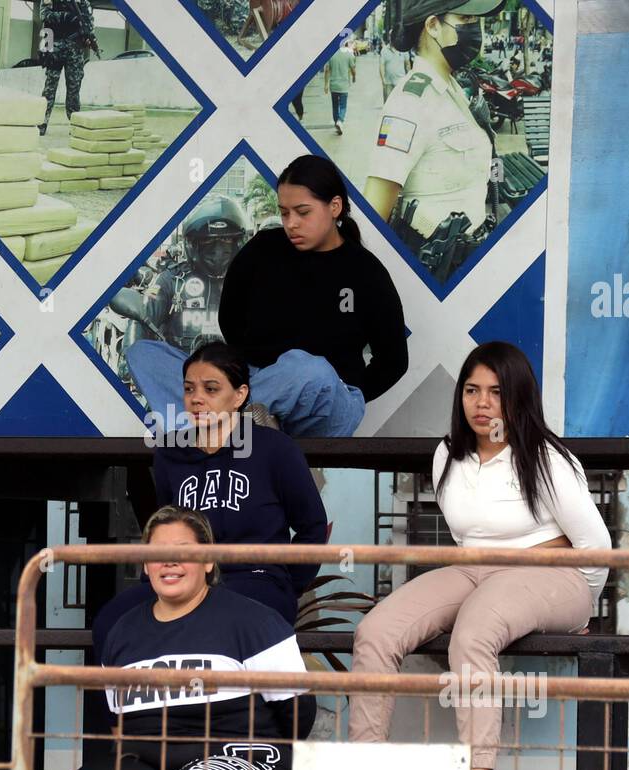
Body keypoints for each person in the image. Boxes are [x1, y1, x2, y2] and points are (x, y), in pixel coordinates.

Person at [348, 341, 611, 770]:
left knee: (474, 631)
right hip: (476, 571)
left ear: (518, 397)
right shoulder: (448, 455)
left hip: (564, 581)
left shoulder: (546, 458)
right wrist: (503, 560)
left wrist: (571, 600)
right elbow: (469, 543)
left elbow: (595, 546)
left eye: (495, 391)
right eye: (472, 390)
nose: (482, 402)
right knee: (377, 631)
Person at [54, 506, 316, 770]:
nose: (170, 562)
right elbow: (119, 723)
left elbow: (298, 713)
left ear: (208, 561)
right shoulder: (122, 635)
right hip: (152, 767)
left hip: (250, 766)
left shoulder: (253, 622)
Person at [127, 155, 407, 438]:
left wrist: (351, 393)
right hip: (255, 386)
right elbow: (231, 321)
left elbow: (394, 360)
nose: (291, 223)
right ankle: (243, 422)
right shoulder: (262, 251)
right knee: (144, 354)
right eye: (285, 213)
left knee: (309, 367)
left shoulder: (365, 271)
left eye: (303, 212)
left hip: (325, 399)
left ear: (335, 207)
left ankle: (215, 428)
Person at [94, 342, 327, 650]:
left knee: (215, 625)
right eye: (189, 390)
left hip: (256, 580)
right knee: (110, 621)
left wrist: (287, 583)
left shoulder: (275, 449)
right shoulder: (170, 454)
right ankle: (133, 698)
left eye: (211, 389)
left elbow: (312, 526)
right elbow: (167, 529)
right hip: (188, 579)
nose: (197, 399)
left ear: (239, 396)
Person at [362, 0, 501, 282]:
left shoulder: (453, 87)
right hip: (434, 269)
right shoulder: (410, 102)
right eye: (465, 19)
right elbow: (372, 215)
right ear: (433, 26)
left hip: (467, 263)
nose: (476, 31)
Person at [114, 196, 251, 366]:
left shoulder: (253, 283)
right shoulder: (171, 280)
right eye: (208, 240)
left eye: (226, 240)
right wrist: (130, 359)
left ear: (238, 242)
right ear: (193, 244)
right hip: (178, 380)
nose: (218, 250)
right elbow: (142, 317)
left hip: (238, 379)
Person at [38, 0, 99, 136]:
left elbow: (88, 21)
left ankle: (75, 124)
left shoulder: (82, 2)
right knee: (50, 87)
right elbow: (44, 15)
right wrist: (66, 16)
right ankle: (42, 122)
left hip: (75, 48)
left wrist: (89, 36)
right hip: (54, 44)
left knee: (74, 87)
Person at [322, 40, 357, 134]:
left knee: (335, 106)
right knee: (343, 106)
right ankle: (340, 121)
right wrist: (354, 77)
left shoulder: (331, 55)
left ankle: (336, 123)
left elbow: (327, 70)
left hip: (333, 85)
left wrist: (325, 84)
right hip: (344, 86)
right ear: (345, 45)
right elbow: (353, 68)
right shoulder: (349, 55)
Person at [379, 36, 412, 102]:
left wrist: (408, 79)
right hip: (388, 83)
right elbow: (381, 66)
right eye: (391, 36)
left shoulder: (403, 49)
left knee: (399, 105)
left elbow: (407, 64)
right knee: (387, 106)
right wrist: (383, 80)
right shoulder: (384, 50)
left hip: (400, 83)